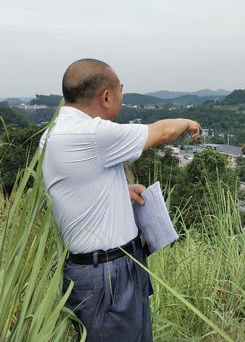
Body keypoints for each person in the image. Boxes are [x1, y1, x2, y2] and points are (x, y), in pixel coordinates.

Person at [39, 58, 202, 341]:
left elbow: (74, 186)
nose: (123, 98)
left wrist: (119, 191)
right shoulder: (91, 133)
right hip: (107, 273)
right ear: (106, 96)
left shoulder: (55, 132)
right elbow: (161, 132)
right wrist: (188, 122)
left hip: (102, 267)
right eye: (121, 90)